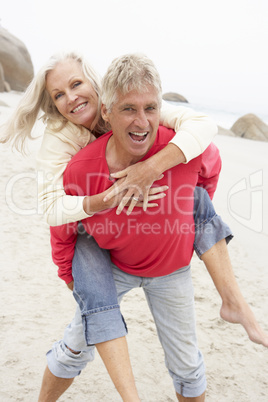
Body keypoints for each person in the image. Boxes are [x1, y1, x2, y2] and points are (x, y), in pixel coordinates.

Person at [1, 51, 267, 401]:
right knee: (77, 342)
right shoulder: (69, 152)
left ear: (96, 87)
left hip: (167, 269)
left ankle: (234, 302)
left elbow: (205, 161)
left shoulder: (166, 131)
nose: (71, 98)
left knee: (189, 365)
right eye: (58, 95)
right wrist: (71, 267)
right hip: (102, 250)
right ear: (110, 111)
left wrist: (158, 182)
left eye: (77, 84)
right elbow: (57, 218)